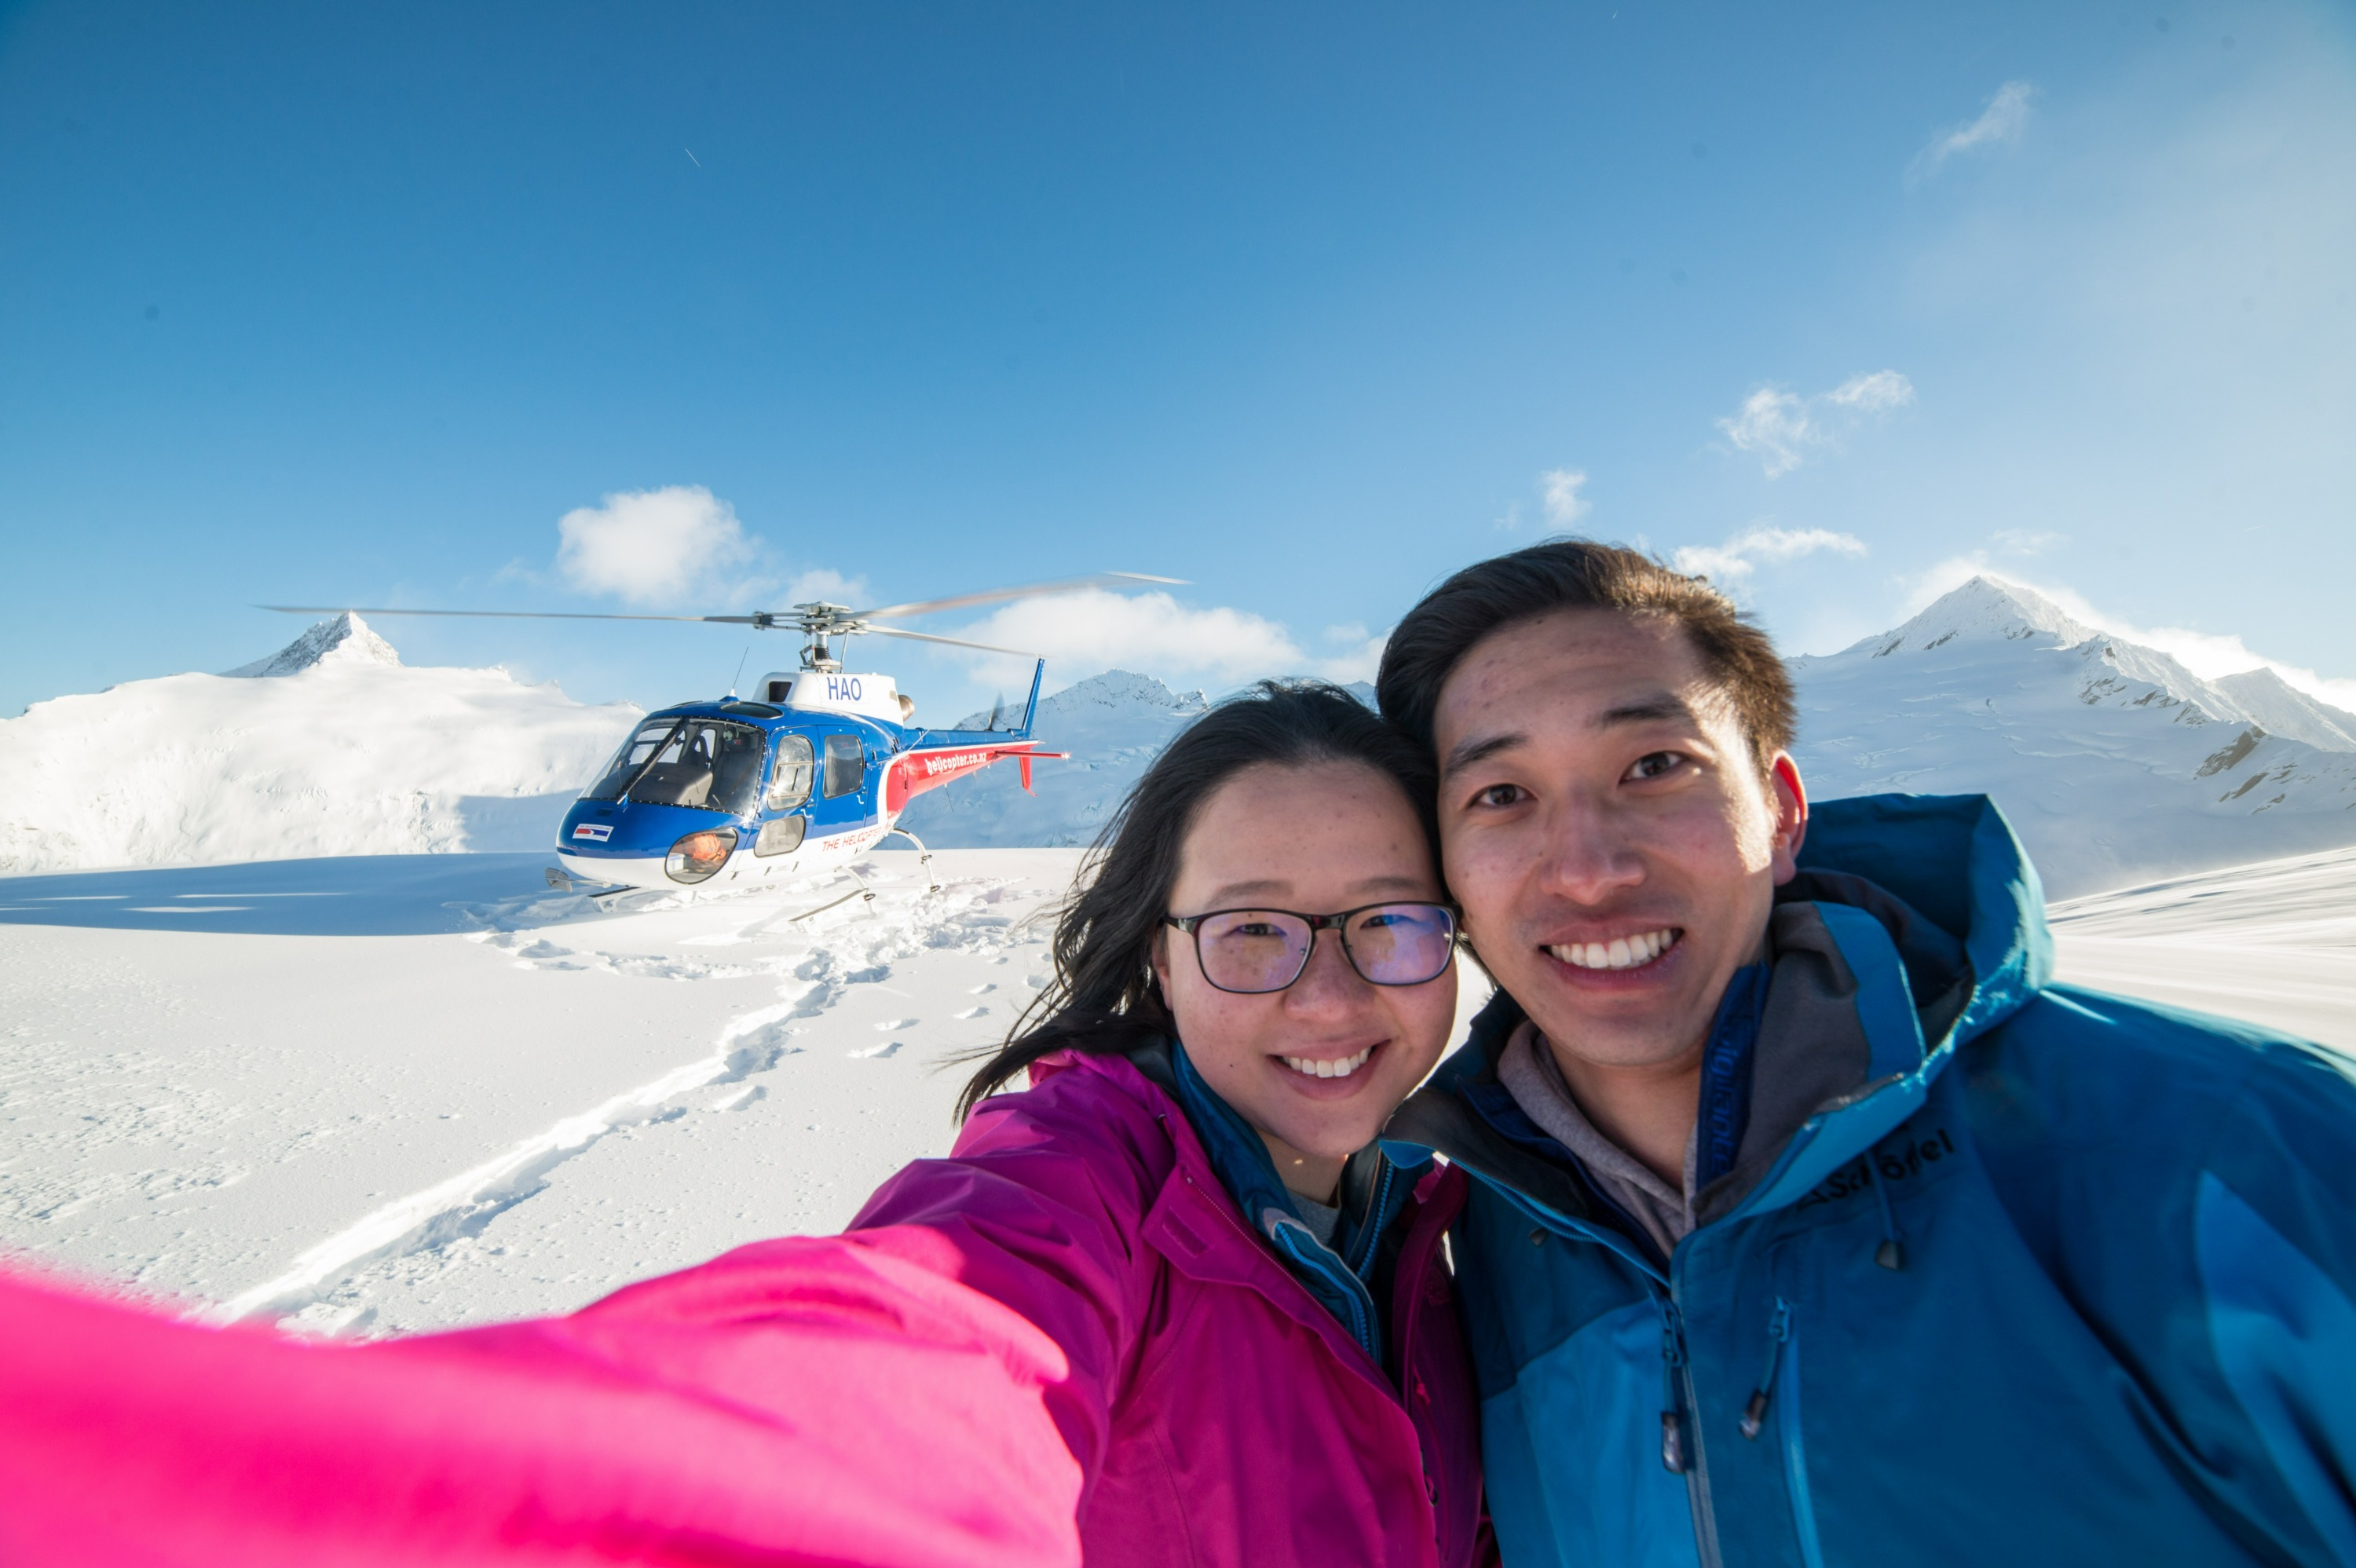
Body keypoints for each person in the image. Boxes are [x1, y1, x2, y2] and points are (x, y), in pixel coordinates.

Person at [0, 681, 1487, 1568]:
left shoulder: (1472, 1215)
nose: (1327, 993)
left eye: (1389, 924)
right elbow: (920, 1347)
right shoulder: (1081, 1187)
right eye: (1251, 934)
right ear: (1154, 957)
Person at [1370, 537, 2356, 1567]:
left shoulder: (2235, 1151)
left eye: (1655, 765)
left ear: (1784, 812)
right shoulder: (1461, 1250)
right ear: (1448, 879)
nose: (1589, 867)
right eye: (1501, 795)